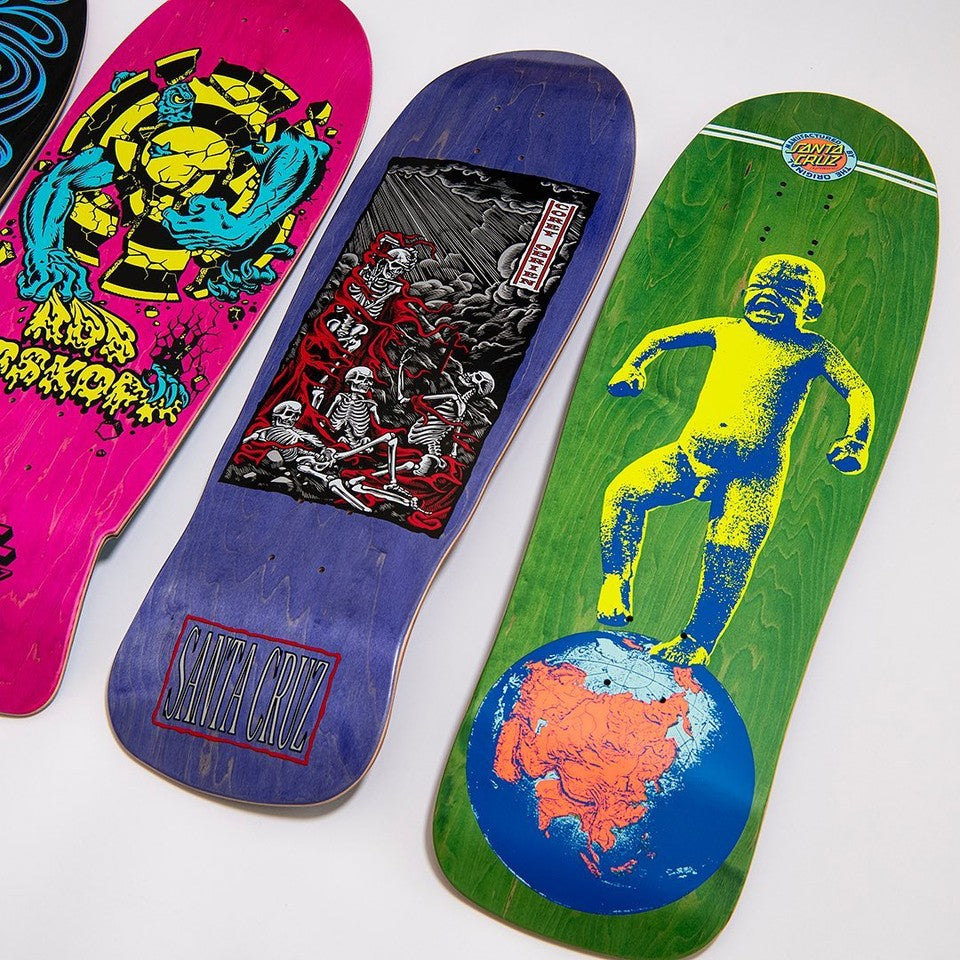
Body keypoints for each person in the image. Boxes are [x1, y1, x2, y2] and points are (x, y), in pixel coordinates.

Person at [599, 254, 874, 663]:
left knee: (731, 553)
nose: (769, 296)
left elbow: (858, 392)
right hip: (690, 456)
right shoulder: (726, 330)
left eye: (788, 292)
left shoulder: (813, 349)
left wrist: (857, 439)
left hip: (754, 476)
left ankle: (697, 642)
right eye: (760, 286)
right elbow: (659, 337)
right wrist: (633, 367)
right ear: (745, 291)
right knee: (623, 493)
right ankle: (616, 580)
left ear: (812, 310)